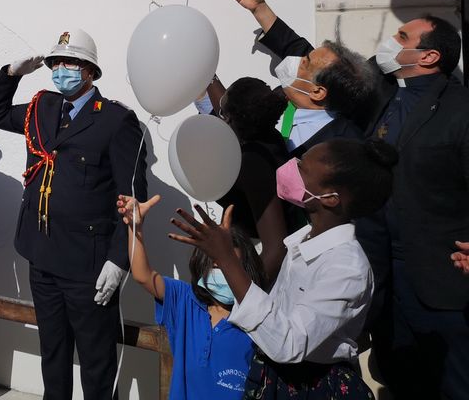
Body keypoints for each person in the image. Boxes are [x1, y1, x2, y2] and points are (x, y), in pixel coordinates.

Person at [0, 29, 147, 400]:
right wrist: (12, 73)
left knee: (96, 362)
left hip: (88, 265)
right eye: (55, 64)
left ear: (89, 70)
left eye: (69, 63)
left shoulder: (116, 121)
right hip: (42, 257)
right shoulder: (43, 108)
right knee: (52, 355)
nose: (60, 70)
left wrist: (119, 259)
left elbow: (133, 197)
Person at [169, 138, 396, 399]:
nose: (291, 168)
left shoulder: (347, 267)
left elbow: (288, 343)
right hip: (275, 378)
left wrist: (228, 260)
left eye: (302, 169)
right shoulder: (302, 239)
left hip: (314, 387)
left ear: (331, 198)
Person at [357, 15, 469, 399]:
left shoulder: (460, 109)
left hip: (443, 290)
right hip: (388, 289)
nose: (390, 41)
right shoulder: (385, 96)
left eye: (402, 36)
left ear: (429, 55)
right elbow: (323, 69)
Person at [118, 193, 263, 399]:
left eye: (229, 266)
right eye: (215, 265)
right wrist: (135, 227)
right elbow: (143, 275)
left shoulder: (258, 316)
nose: (221, 271)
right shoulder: (185, 300)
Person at [226, 0, 374, 153]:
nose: (295, 59)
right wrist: (259, 7)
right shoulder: (278, 102)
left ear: (318, 92)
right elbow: (290, 43)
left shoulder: (335, 147)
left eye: (304, 61)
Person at [216, 78, 291, 280]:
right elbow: (226, 104)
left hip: (259, 269)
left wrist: (245, 299)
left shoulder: (253, 162)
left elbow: (276, 248)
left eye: (221, 114)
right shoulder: (268, 136)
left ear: (230, 119)